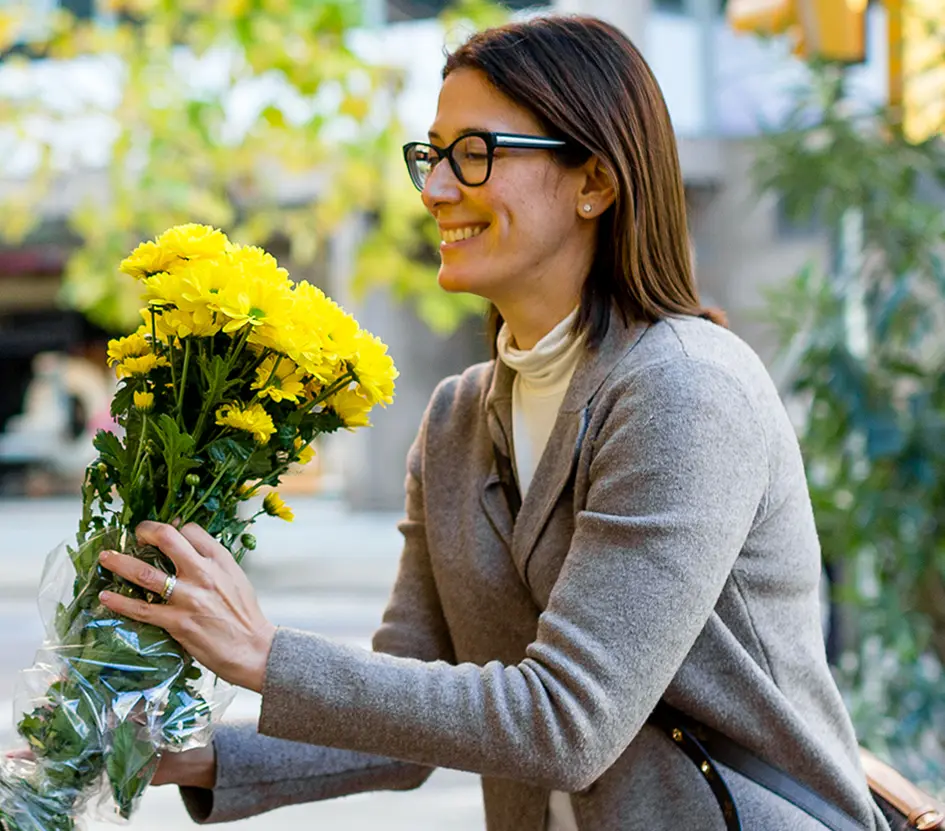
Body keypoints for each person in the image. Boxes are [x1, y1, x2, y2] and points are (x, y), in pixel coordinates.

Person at [72, 14, 888, 830]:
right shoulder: (459, 417)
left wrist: (266, 654)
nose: (433, 190)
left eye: (475, 153)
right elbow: (401, 715)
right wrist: (188, 753)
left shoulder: (684, 390)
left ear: (594, 181)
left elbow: (568, 721)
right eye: (432, 155)